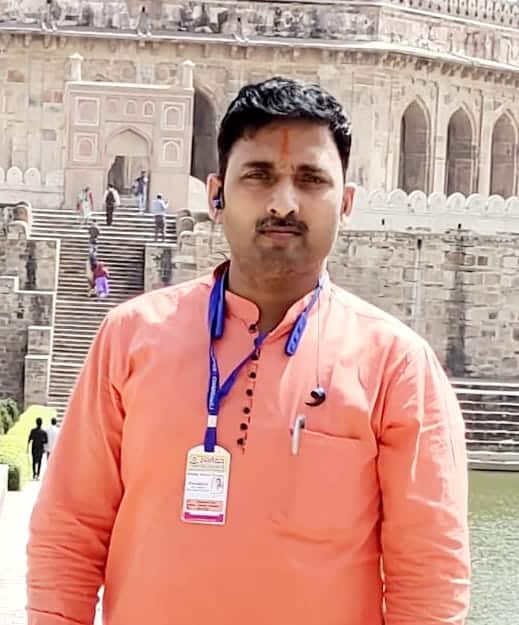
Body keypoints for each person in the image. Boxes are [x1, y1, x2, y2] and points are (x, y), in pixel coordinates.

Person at [27, 78, 470, 625]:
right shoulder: (132, 337)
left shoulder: (395, 365)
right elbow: (70, 530)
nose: (283, 202)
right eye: (258, 176)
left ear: (347, 202)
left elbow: (429, 574)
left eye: (310, 179)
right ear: (216, 195)